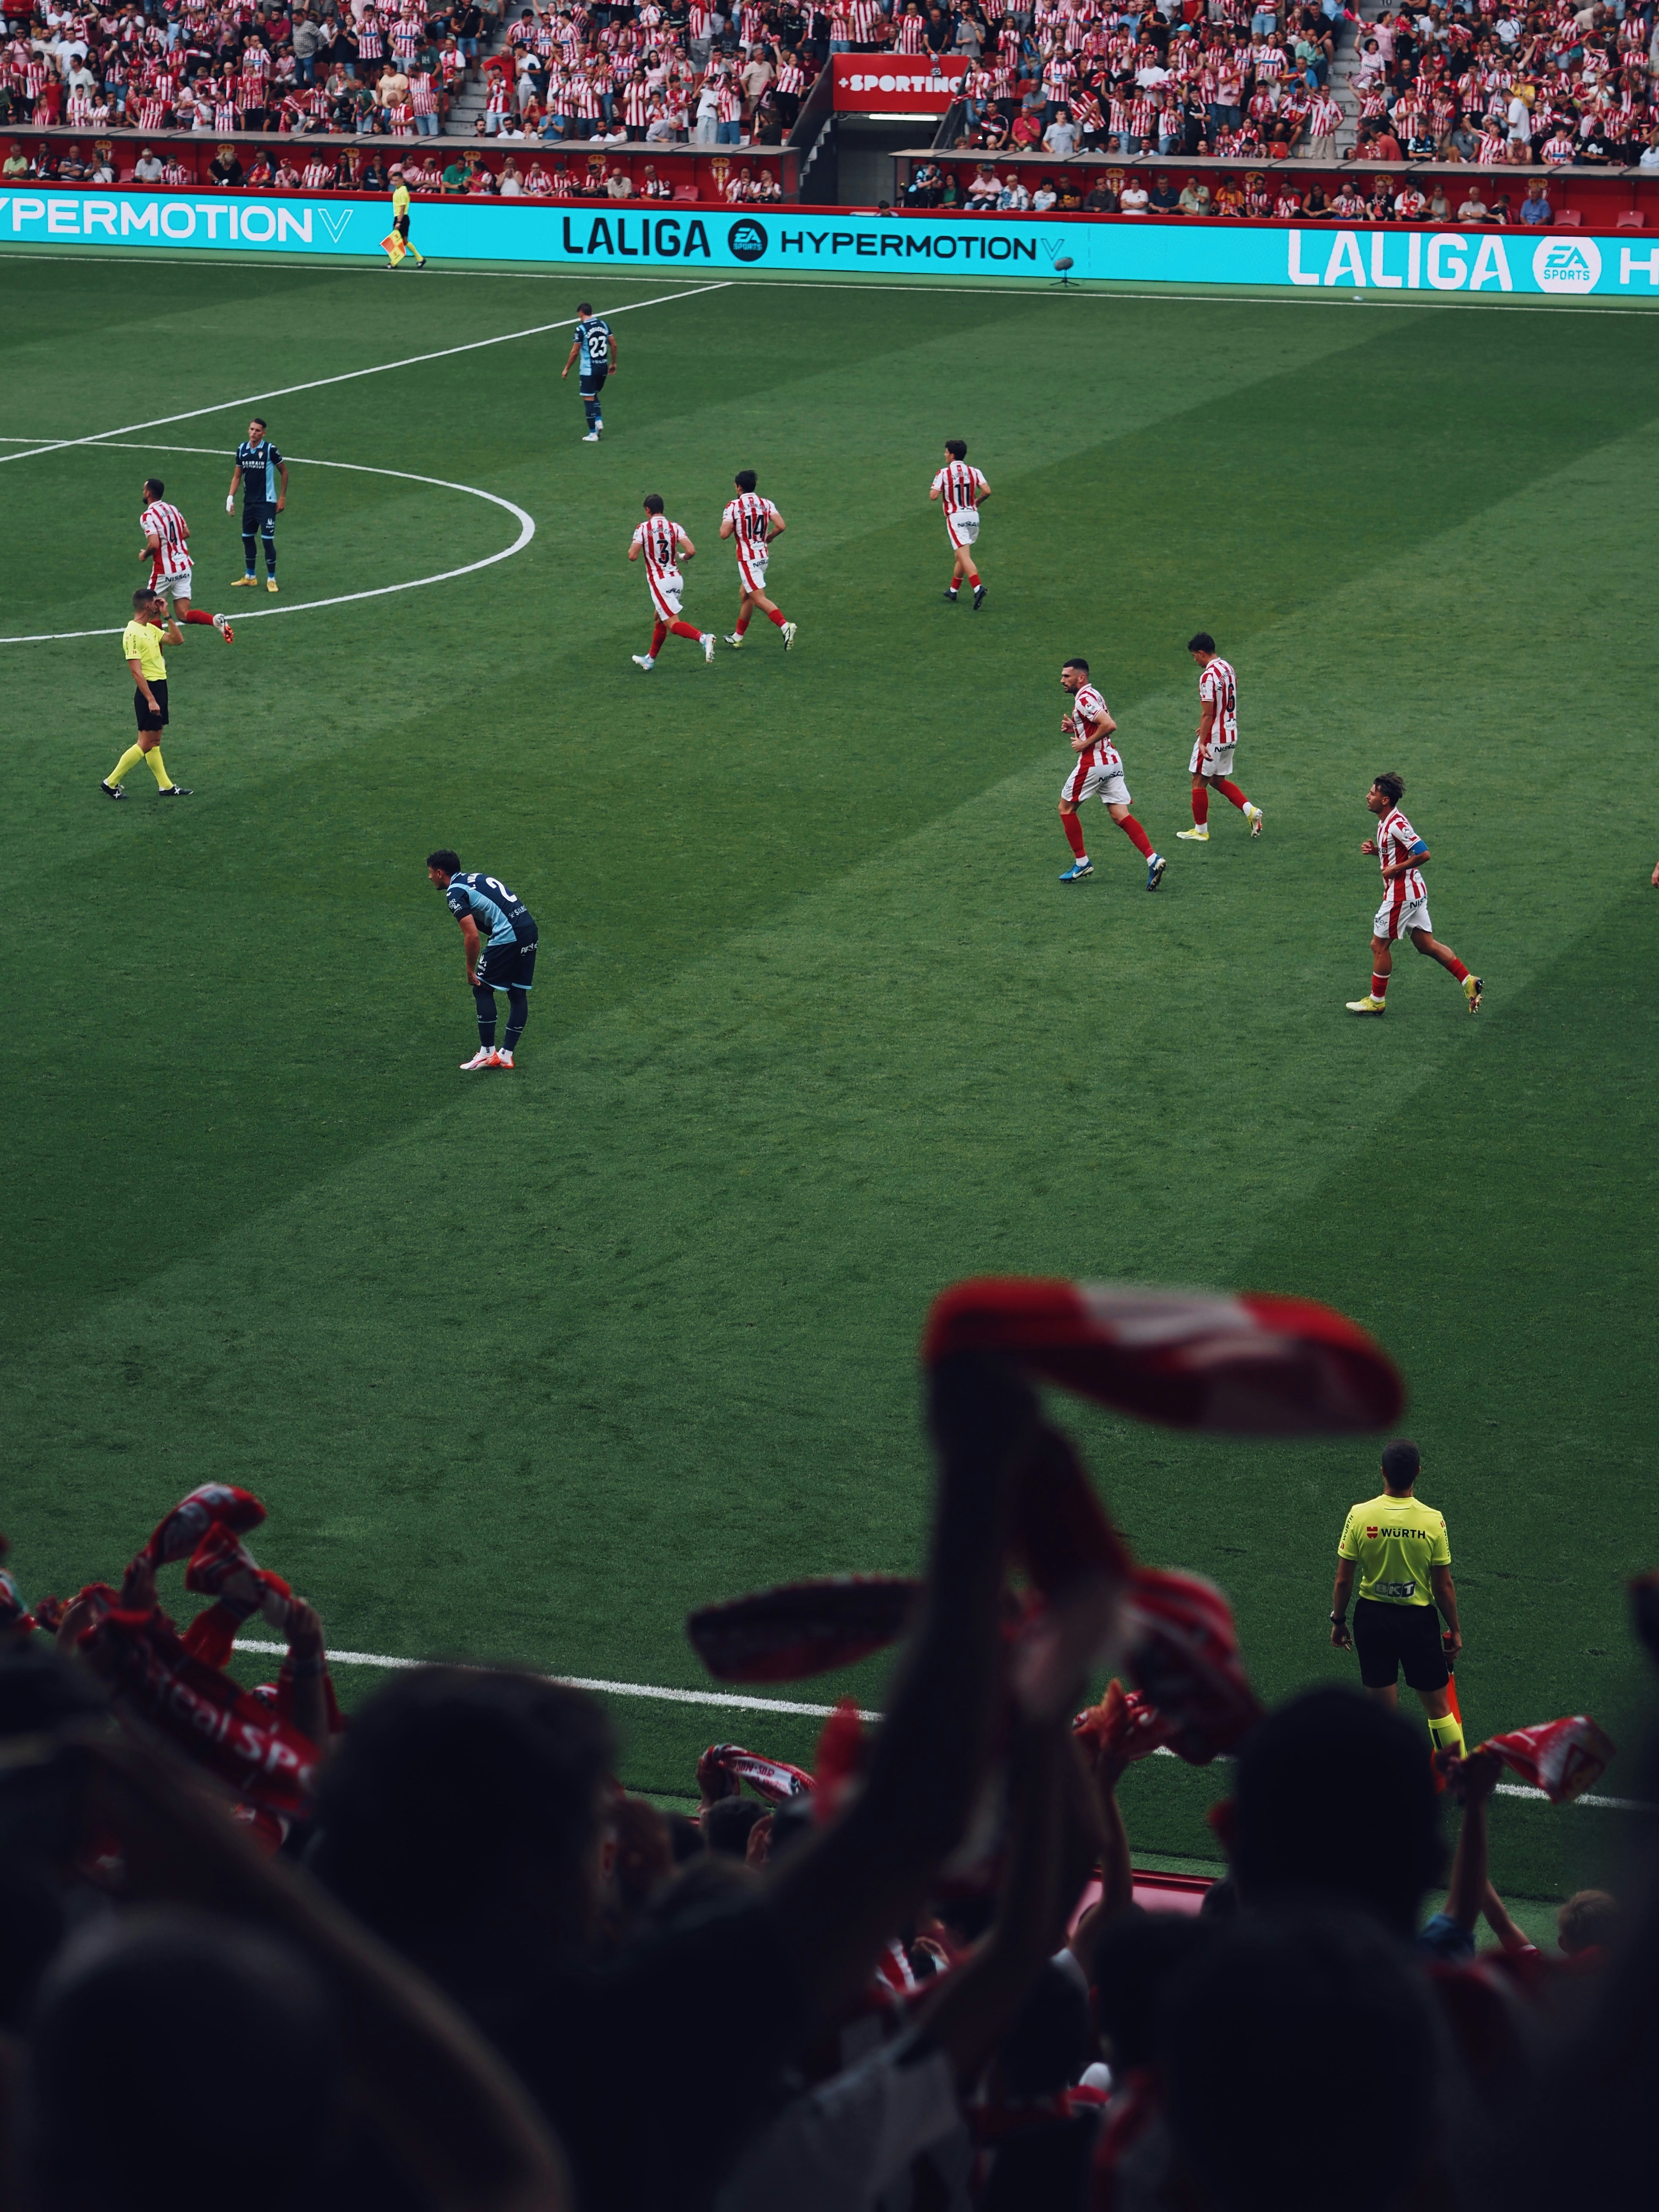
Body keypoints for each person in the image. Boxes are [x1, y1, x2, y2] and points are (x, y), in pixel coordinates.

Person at [1330, 1438, 1465, 1761]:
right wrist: (1455, 1629)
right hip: (1418, 1624)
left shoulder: (1359, 1515)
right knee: (1438, 1708)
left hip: (1372, 1621)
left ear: (1383, 1473)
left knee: (1382, 1713)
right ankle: (1463, 1774)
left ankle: (1386, 1782)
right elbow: (1444, 1586)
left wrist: (1338, 1620)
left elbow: (1343, 1579)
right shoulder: (1433, 1520)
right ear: (1418, 1472)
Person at [1346, 772, 1482, 1015]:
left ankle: (1377, 1000)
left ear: (1385, 800)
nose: (1368, 796)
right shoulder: (1386, 822)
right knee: (1425, 944)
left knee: (1378, 945)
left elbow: (1423, 853)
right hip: (1414, 891)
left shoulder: (1397, 824)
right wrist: (1377, 852)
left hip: (1402, 895)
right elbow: (1396, 852)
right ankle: (1468, 981)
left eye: (1373, 793)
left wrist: (1396, 868)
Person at [1055, 659, 1167, 890]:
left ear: (1081, 677)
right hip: (1113, 763)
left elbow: (1109, 724)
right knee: (1120, 815)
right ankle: (1153, 859)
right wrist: (1076, 727)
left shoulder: (1084, 698)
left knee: (1066, 809)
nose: (1062, 680)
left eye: (1067, 676)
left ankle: (1082, 862)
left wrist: (1084, 741)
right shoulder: (1094, 694)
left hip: (1093, 764)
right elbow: (1097, 723)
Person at [425, 852, 538, 1071]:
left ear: (440, 873)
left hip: (508, 936)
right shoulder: (474, 878)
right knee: (517, 993)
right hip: (529, 930)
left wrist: (470, 970)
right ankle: (506, 1056)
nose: (430, 878)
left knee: (482, 989)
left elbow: (472, 936)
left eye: (431, 873)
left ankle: (487, 1052)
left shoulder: (455, 893)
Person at [101, 589, 192, 800]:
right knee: (145, 743)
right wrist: (151, 699)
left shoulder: (150, 629)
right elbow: (136, 671)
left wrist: (168, 615)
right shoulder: (132, 633)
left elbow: (178, 640)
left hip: (160, 687)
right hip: (148, 692)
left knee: (155, 740)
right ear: (147, 606)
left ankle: (166, 787)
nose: (158, 605)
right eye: (155, 603)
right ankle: (111, 783)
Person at [1176, 633, 1262, 843]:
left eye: (1194, 655)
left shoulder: (1208, 676)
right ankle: (1251, 811)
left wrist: (1203, 739)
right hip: (1230, 732)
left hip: (1215, 737)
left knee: (1198, 781)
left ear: (1201, 653)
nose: (1194, 659)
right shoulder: (1228, 668)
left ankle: (1201, 831)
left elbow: (1208, 712)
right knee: (1217, 779)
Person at [136, 478, 233, 641]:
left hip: (164, 572)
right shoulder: (173, 509)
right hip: (183, 567)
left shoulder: (148, 516)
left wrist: (144, 555)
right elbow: (186, 532)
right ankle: (215, 621)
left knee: (152, 613)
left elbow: (154, 544)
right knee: (184, 614)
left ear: (149, 493)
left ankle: (158, 660)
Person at [628, 495, 716, 669]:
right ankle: (650, 659)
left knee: (673, 625)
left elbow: (632, 556)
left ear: (648, 510)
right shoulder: (674, 527)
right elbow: (691, 550)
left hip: (660, 583)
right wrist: (684, 557)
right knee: (659, 618)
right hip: (677, 579)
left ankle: (704, 638)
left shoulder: (643, 528)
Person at [719, 470, 796, 651]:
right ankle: (738, 636)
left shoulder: (734, 506)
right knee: (746, 595)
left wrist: (732, 527)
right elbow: (781, 525)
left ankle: (786, 626)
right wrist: (770, 537)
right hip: (763, 557)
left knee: (759, 598)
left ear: (739, 487)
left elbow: (723, 534)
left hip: (748, 560)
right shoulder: (766, 503)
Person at [227, 417, 288, 593]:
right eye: (252, 429)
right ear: (249, 430)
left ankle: (271, 579)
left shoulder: (270, 450)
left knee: (267, 541)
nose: (254, 433)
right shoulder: (242, 449)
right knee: (247, 538)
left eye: (258, 430)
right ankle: (251, 577)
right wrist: (231, 498)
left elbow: (284, 472)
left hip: (267, 503)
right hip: (250, 503)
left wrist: (282, 497)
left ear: (264, 433)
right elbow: (238, 476)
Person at [929, 437, 989, 609]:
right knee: (960, 556)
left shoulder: (944, 473)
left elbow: (933, 496)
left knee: (964, 556)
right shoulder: (974, 471)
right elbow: (987, 491)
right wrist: (977, 502)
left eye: (946, 452)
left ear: (952, 455)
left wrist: (941, 490)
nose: (945, 455)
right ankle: (953, 590)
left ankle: (978, 588)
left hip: (956, 518)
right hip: (973, 516)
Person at [561, 301, 615, 441]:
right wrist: (613, 363)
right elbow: (614, 344)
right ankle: (599, 420)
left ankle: (593, 434)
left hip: (588, 370)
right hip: (603, 367)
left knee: (588, 399)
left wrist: (567, 368)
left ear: (581, 314)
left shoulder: (581, 329)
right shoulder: (603, 325)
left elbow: (574, 352)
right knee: (594, 394)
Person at [386, 162, 429, 267]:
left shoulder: (402, 191)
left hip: (402, 218)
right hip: (400, 218)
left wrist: (399, 222)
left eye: (396, 181)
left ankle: (394, 263)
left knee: (399, 241)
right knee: (402, 241)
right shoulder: (398, 190)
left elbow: (402, 208)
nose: (394, 183)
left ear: (402, 180)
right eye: (393, 181)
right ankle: (420, 259)